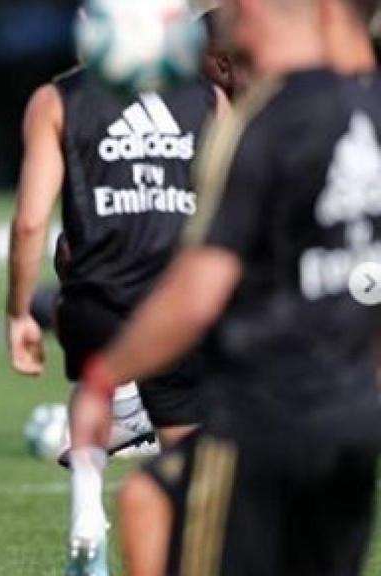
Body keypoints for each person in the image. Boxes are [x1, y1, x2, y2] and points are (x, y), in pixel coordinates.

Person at [72, 0, 381, 573]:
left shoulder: (262, 123)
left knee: (149, 503)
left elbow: (196, 294)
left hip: (262, 418)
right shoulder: (368, 109)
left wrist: (103, 377)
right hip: (354, 422)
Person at [5, 8, 228, 571]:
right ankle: (192, 534)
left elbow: (31, 220)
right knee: (186, 434)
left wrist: (18, 313)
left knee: (97, 385)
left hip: (96, 289)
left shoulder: (57, 99)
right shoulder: (205, 99)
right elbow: (233, 205)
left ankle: (86, 508)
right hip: (177, 296)